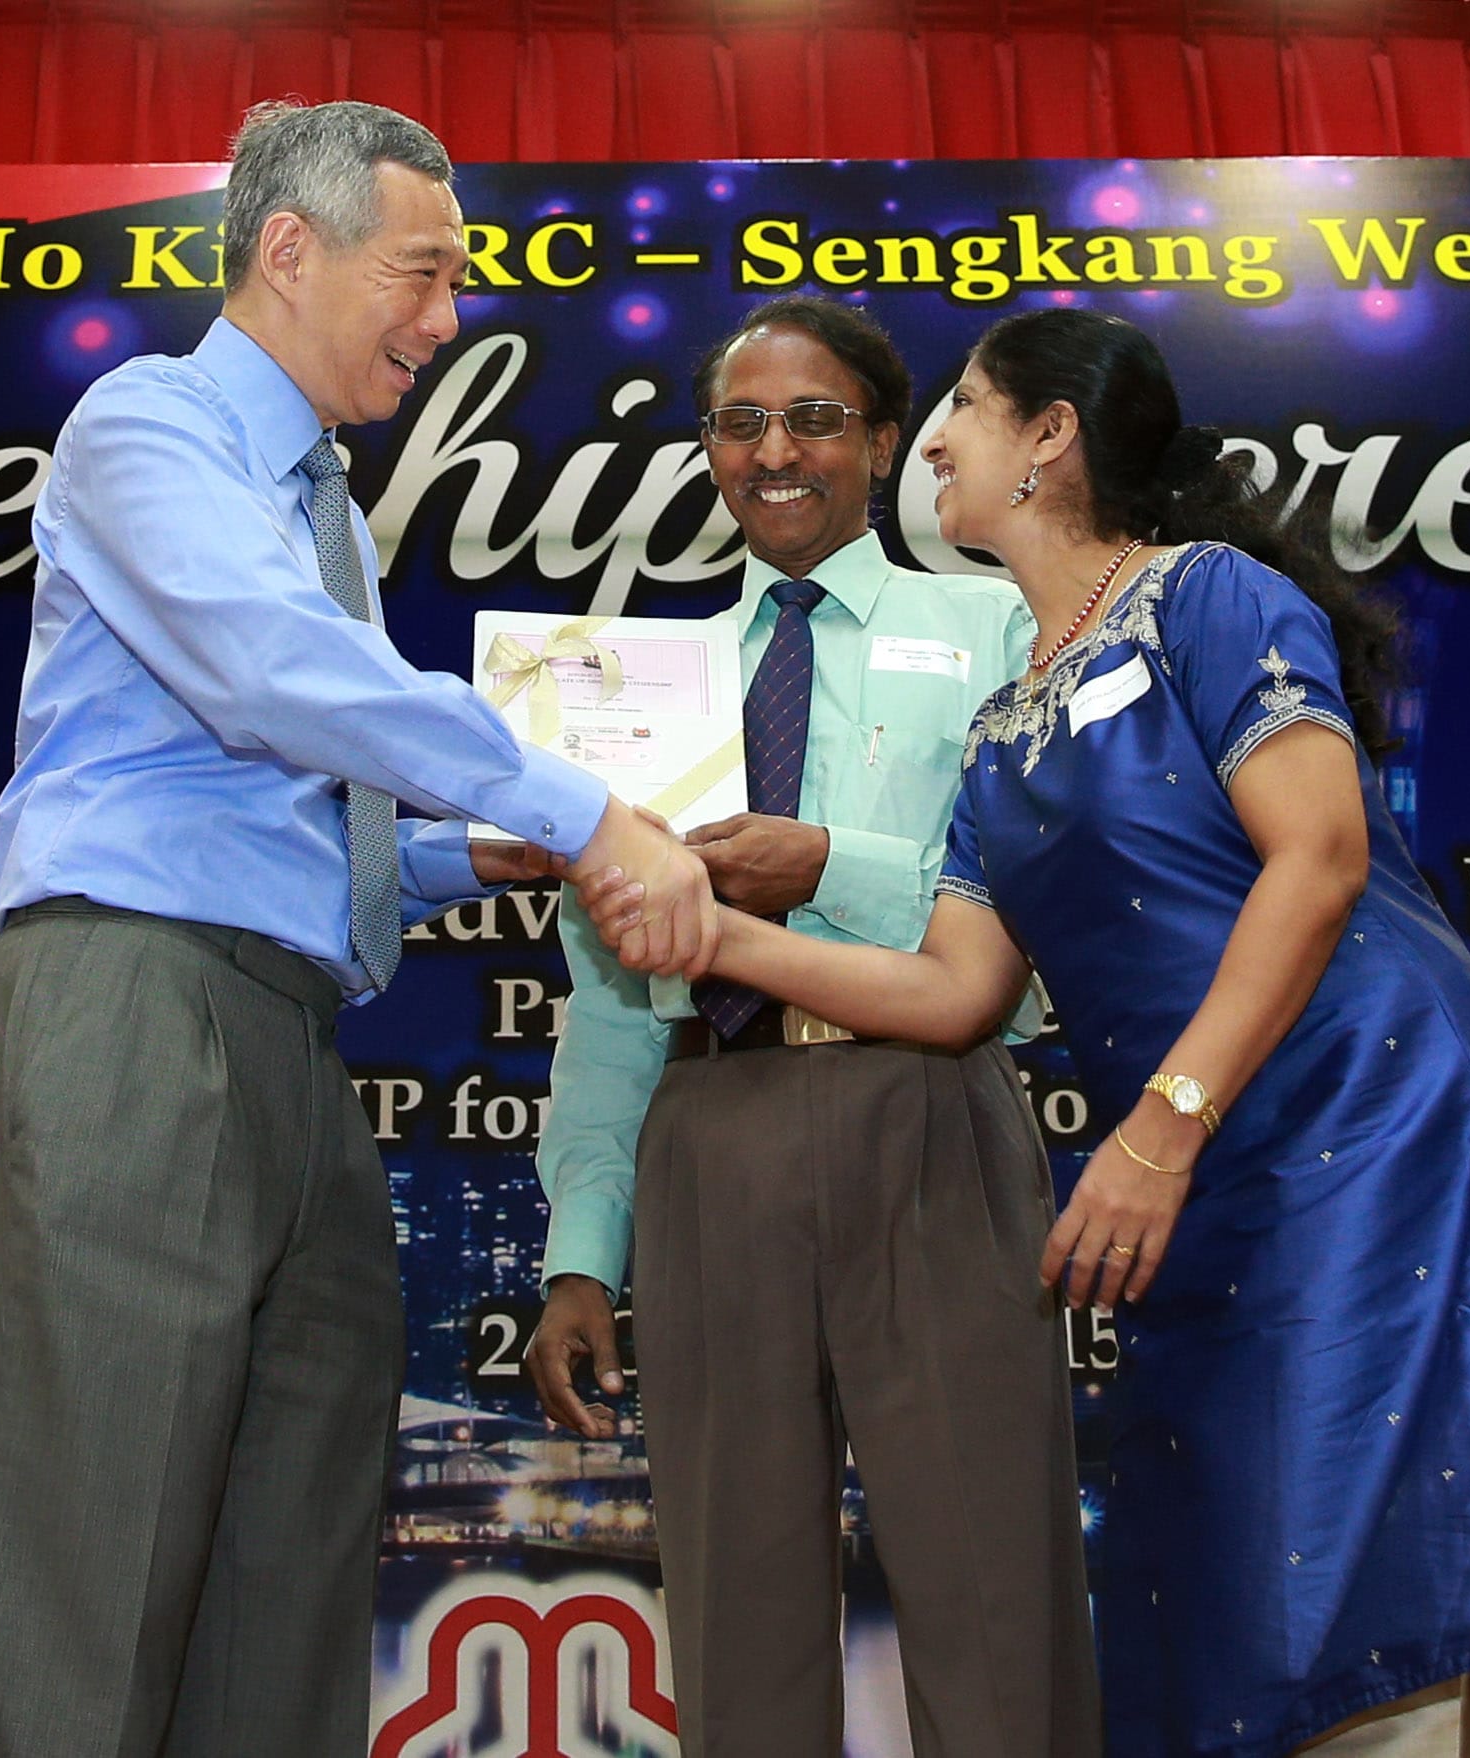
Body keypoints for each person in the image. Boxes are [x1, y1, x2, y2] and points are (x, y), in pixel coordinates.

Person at [584, 306, 1470, 1755]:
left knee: (1429, 1577)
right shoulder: (1007, 722)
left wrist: (1159, 1127)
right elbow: (955, 990)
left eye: (963, 407)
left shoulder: (1208, 596)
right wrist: (698, 925)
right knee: (1260, 1595)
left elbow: (1321, 857)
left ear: (1050, 438)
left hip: (1376, 1129)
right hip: (1207, 1176)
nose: (934, 443)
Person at [0, 99, 714, 1758]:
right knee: (92, 1574)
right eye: (422, 273)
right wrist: (591, 813)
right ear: (288, 246)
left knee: (287, 1578)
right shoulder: (147, 426)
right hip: (137, 1007)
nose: (448, 319)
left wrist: (481, 853)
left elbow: (293, 805)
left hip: (290, 1038)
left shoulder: (332, 512)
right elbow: (268, 672)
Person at [524, 296, 1100, 1758]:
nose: (774, 452)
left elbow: (1052, 914)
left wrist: (826, 863)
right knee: (736, 1620)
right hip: (708, 1131)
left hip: (931, 1105)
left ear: (887, 443)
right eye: (741, 423)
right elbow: (607, 994)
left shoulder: (999, 626)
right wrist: (583, 1251)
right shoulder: (633, 686)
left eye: (815, 419)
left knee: (997, 1604)